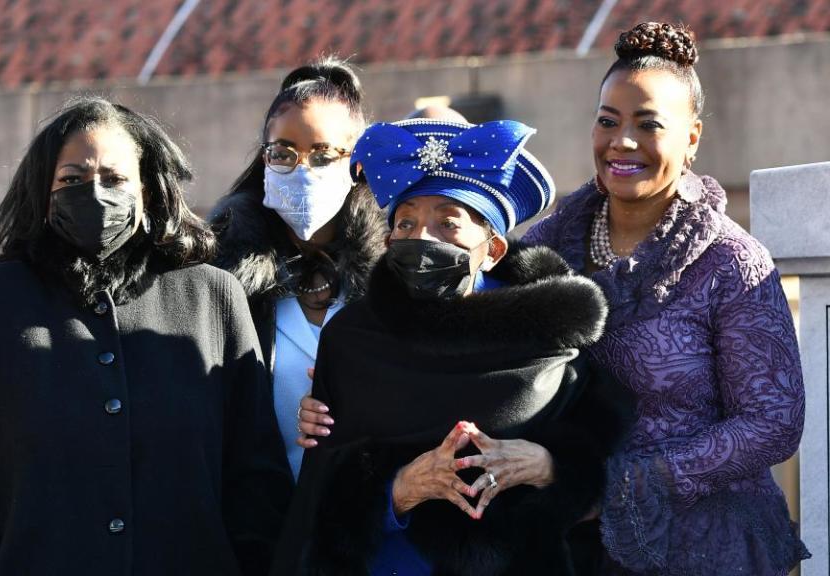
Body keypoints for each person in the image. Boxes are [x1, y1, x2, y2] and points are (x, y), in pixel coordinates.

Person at [0, 97, 291, 575]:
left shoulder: (213, 297)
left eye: (114, 179)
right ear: (43, 192)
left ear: (148, 190)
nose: (94, 193)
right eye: (72, 179)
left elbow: (255, 477)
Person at [274, 118, 632, 576]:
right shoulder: (352, 340)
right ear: (388, 241)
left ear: (494, 249)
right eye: (406, 222)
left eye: (448, 223)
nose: (422, 238)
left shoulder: (549, 339)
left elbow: (601, 464)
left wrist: (547, 465)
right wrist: (400, 490)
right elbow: (320, 495)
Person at [520, 22, 811, 575]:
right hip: (561, 544)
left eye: (648, 124)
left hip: (703, 547)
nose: (621, 142)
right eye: (608, 121)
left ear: (693, 137)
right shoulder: (544, 247)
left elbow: (773, 421)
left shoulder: (732, 261)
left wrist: (624, 482)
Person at [210, 58, 385, 482]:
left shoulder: (389, 276)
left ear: (356, 163)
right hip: (253, 523)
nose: (302, 169)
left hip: (364, 515)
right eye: (283, 153)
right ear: (264, 159)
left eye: (324, 153)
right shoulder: (220, 276)